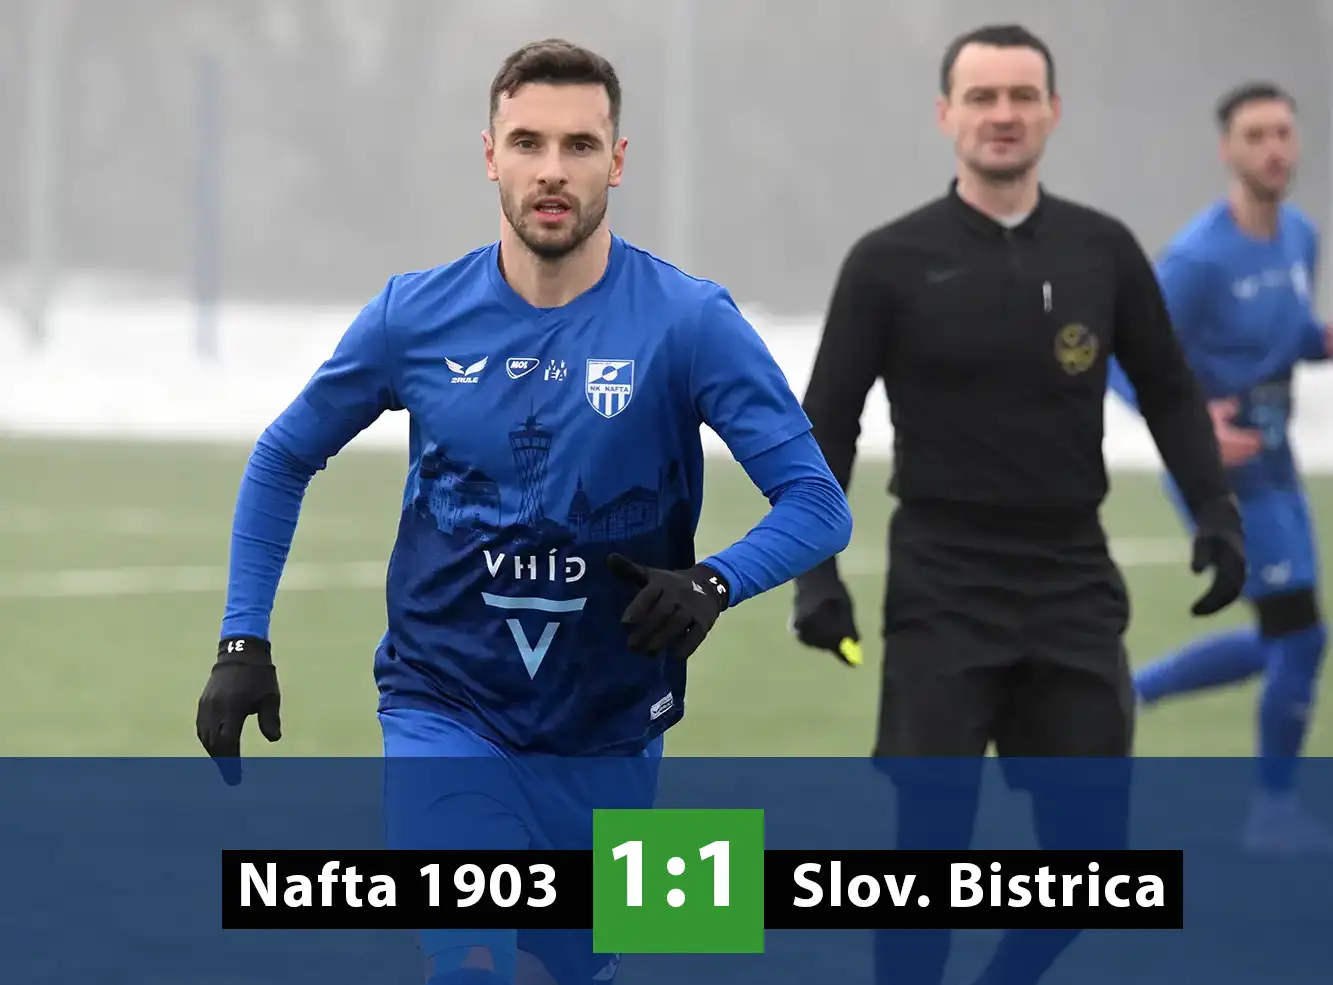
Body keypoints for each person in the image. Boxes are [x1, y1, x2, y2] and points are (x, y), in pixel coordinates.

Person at [195, 38, 853, 985]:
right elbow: (283, 454)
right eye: (528, 142)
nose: (552, 170)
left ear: (616, 161)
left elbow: (817, 504)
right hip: (443, 707)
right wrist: (241, 641)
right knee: (467, 961)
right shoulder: (413, 316)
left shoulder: (689, 322)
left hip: (612, 726)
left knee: (563, 971)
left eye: (579, 145)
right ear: (489, 154)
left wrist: (714, 581)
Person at [790, 23, 1246, 985]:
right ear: (944, 114)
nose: (1002, 114)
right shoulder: (887, 260)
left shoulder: (1101, 250)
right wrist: (814, 572)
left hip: (1070, 576)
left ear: (1051, 111)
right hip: (941, 579)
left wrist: (1215, 508)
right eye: (982, 96)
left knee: (1094, 860)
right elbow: (826, 421)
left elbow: (1169, 389)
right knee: (927, 857)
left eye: (1021, 96)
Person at [1108, 81, 1333, 853]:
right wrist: (1193, 425)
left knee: (1293, 637)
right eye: (1254, 135)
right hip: (1218, 474)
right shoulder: (1198, 257)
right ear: (1226, 150)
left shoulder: (1299, 235)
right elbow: (1120, 355)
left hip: (1275, 458)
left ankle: (1120, 696)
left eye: (1282, 132)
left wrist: (1322, 340)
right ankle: (1271, 813)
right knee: (1297, 635)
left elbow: (1284, 333)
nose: (1273, 148)